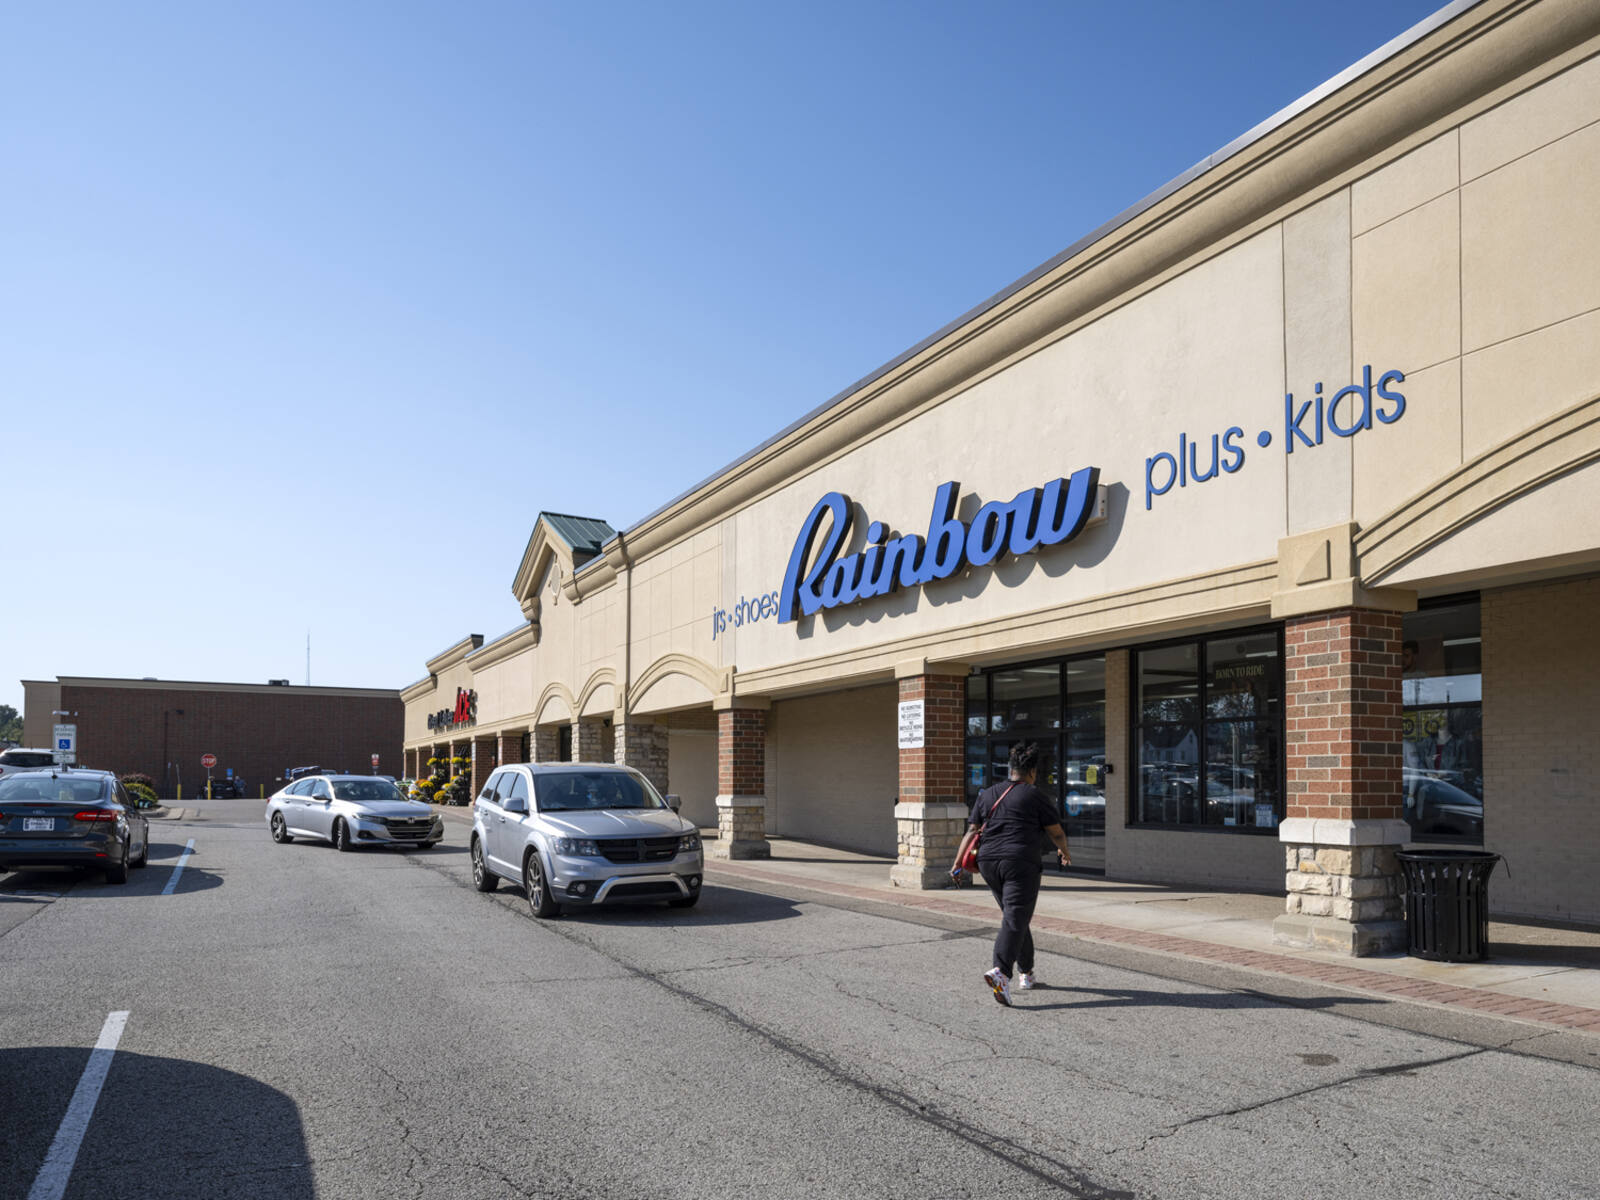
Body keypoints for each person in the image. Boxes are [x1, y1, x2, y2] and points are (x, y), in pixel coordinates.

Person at [950, 741, 1071, 1006]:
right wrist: (1064, 851)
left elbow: (971, 831)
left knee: (1015, 915)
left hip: (989, 863)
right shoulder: (1035, 795)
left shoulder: (988, 794)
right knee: (1015, 916)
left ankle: (1026, 973)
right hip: (1020, 862)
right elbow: (1056, 832)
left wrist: (958, 863)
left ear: (1010, 769)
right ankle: (1000, 971)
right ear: (1032, 772)